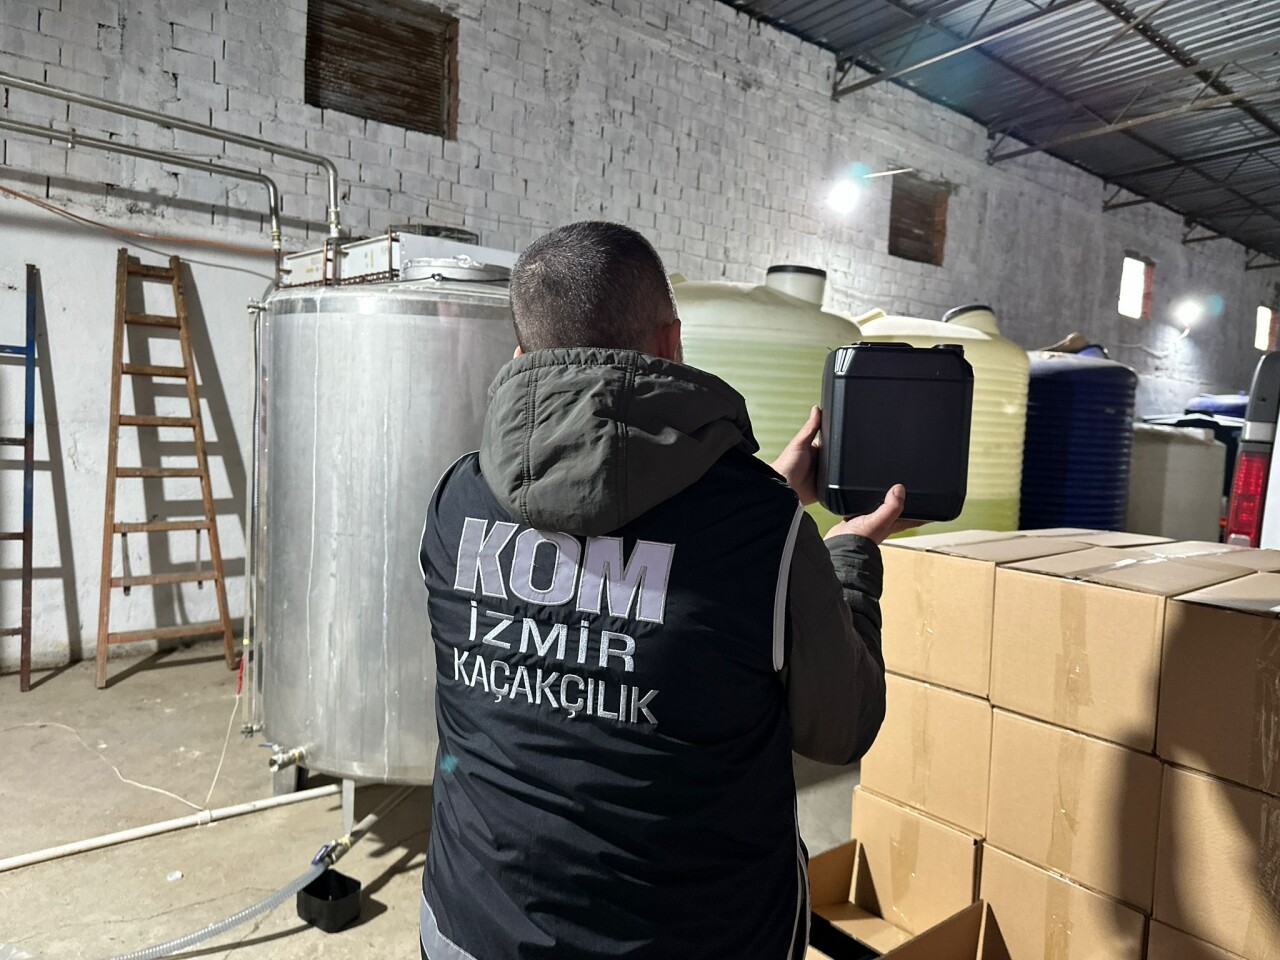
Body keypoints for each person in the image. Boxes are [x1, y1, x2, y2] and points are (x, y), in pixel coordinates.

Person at [418, 221, 907, 960]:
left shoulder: (456, 499)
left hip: (470, 930)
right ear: (673, 343)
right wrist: (847, 555)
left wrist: (769, 507)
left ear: (520, 355)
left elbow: (606, 563)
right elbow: (841, 727)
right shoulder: (760, 530)